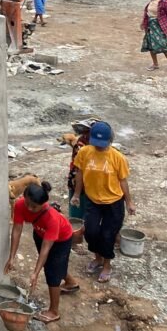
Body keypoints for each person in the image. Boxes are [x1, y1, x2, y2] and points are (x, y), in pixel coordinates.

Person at [5, 182, 81, 324]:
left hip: (61, 239)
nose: (29, 208)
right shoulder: (20, 205)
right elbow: (16, 230)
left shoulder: (51, 217)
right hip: (39, 233)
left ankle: (54, 312)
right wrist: (11, 257)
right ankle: (71, 283)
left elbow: (46, 249)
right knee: (54, 265)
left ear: (44, 204)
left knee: (52, 272)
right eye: (27, 203)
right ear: (24, 197)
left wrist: (35, 273)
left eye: (34, 207)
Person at [70, 121, 135, 284]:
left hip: (114, 203)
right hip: (93, 200)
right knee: (91, 231)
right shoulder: (84, 152)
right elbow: (79, 174)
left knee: (108, 235)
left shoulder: (117, 157)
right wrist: (77, 194)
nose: (99, 147)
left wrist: (129, 202)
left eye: (102, 144)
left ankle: (107, 265)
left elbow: (123, 181)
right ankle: (97, 258)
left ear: (110, 140)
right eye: (96, 143)